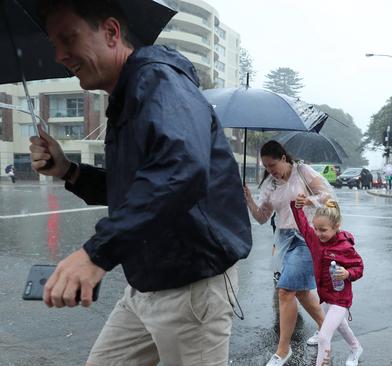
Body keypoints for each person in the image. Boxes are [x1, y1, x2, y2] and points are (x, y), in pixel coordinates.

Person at [29, 2, 252, 366]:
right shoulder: (127, 97)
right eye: (54, 43)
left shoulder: (157, 81)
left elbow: (182, 170)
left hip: (192, 288)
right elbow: (133, 190)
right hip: (144, 286)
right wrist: (68, 170)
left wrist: (96, 253)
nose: (59, 55)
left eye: (68, 38)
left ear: (112, 33)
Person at [243, 140, 329, 366]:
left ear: (283, 158)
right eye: (266, 167)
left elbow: (329, 197)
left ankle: (283, 350)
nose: (270, 170)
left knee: (285, 290)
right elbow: (262, 218)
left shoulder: (302, 172)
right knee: (300, 292)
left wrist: (309, 199)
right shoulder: (270, 184)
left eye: (272, 165)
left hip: (306, 237)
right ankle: (326, 328)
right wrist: (250, 200)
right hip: (283, 241)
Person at [291, 197, 364, 366]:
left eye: (323, 230)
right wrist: (296, 208)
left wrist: (347, 273)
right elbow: (302, 225)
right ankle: (356, 347)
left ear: (336, 226)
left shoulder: (345, 247)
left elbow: (359, 267)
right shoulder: (315, 239)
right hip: (324, 295)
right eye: (316, 229)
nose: (318, 233)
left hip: (340, 298)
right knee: (341, 325)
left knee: (324, 336)